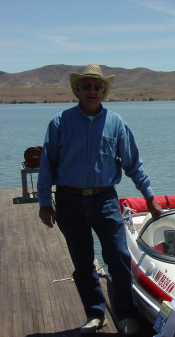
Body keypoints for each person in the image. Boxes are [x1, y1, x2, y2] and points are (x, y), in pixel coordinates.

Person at [38, 64, 162, 335]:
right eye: (87, 86)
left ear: (104, 91)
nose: (92, 91)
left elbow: (133, 164)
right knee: (82, 262)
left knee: (118, 256)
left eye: (97, 86)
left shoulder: (116, 123)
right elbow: (47, 165)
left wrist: (149, 196)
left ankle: (126, 314)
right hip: (69, 201)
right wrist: (45, 202)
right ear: (78, 90)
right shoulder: (60, 122)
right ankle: (95, 314)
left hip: (105, 199)